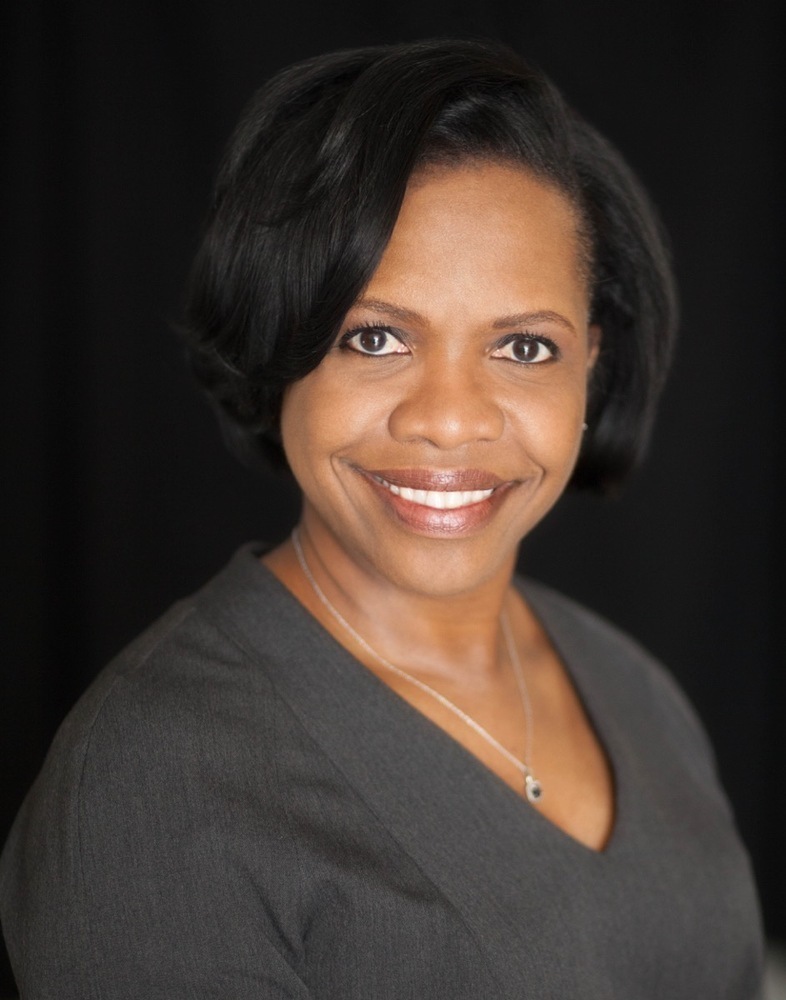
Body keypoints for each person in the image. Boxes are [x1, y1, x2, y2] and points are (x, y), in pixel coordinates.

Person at [0, 38, 764, 998]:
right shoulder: (146, 786)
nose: (449, 418)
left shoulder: (638, 692)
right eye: (376, 337)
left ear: (590, 371)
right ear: (283, 345)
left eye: (525, 347)